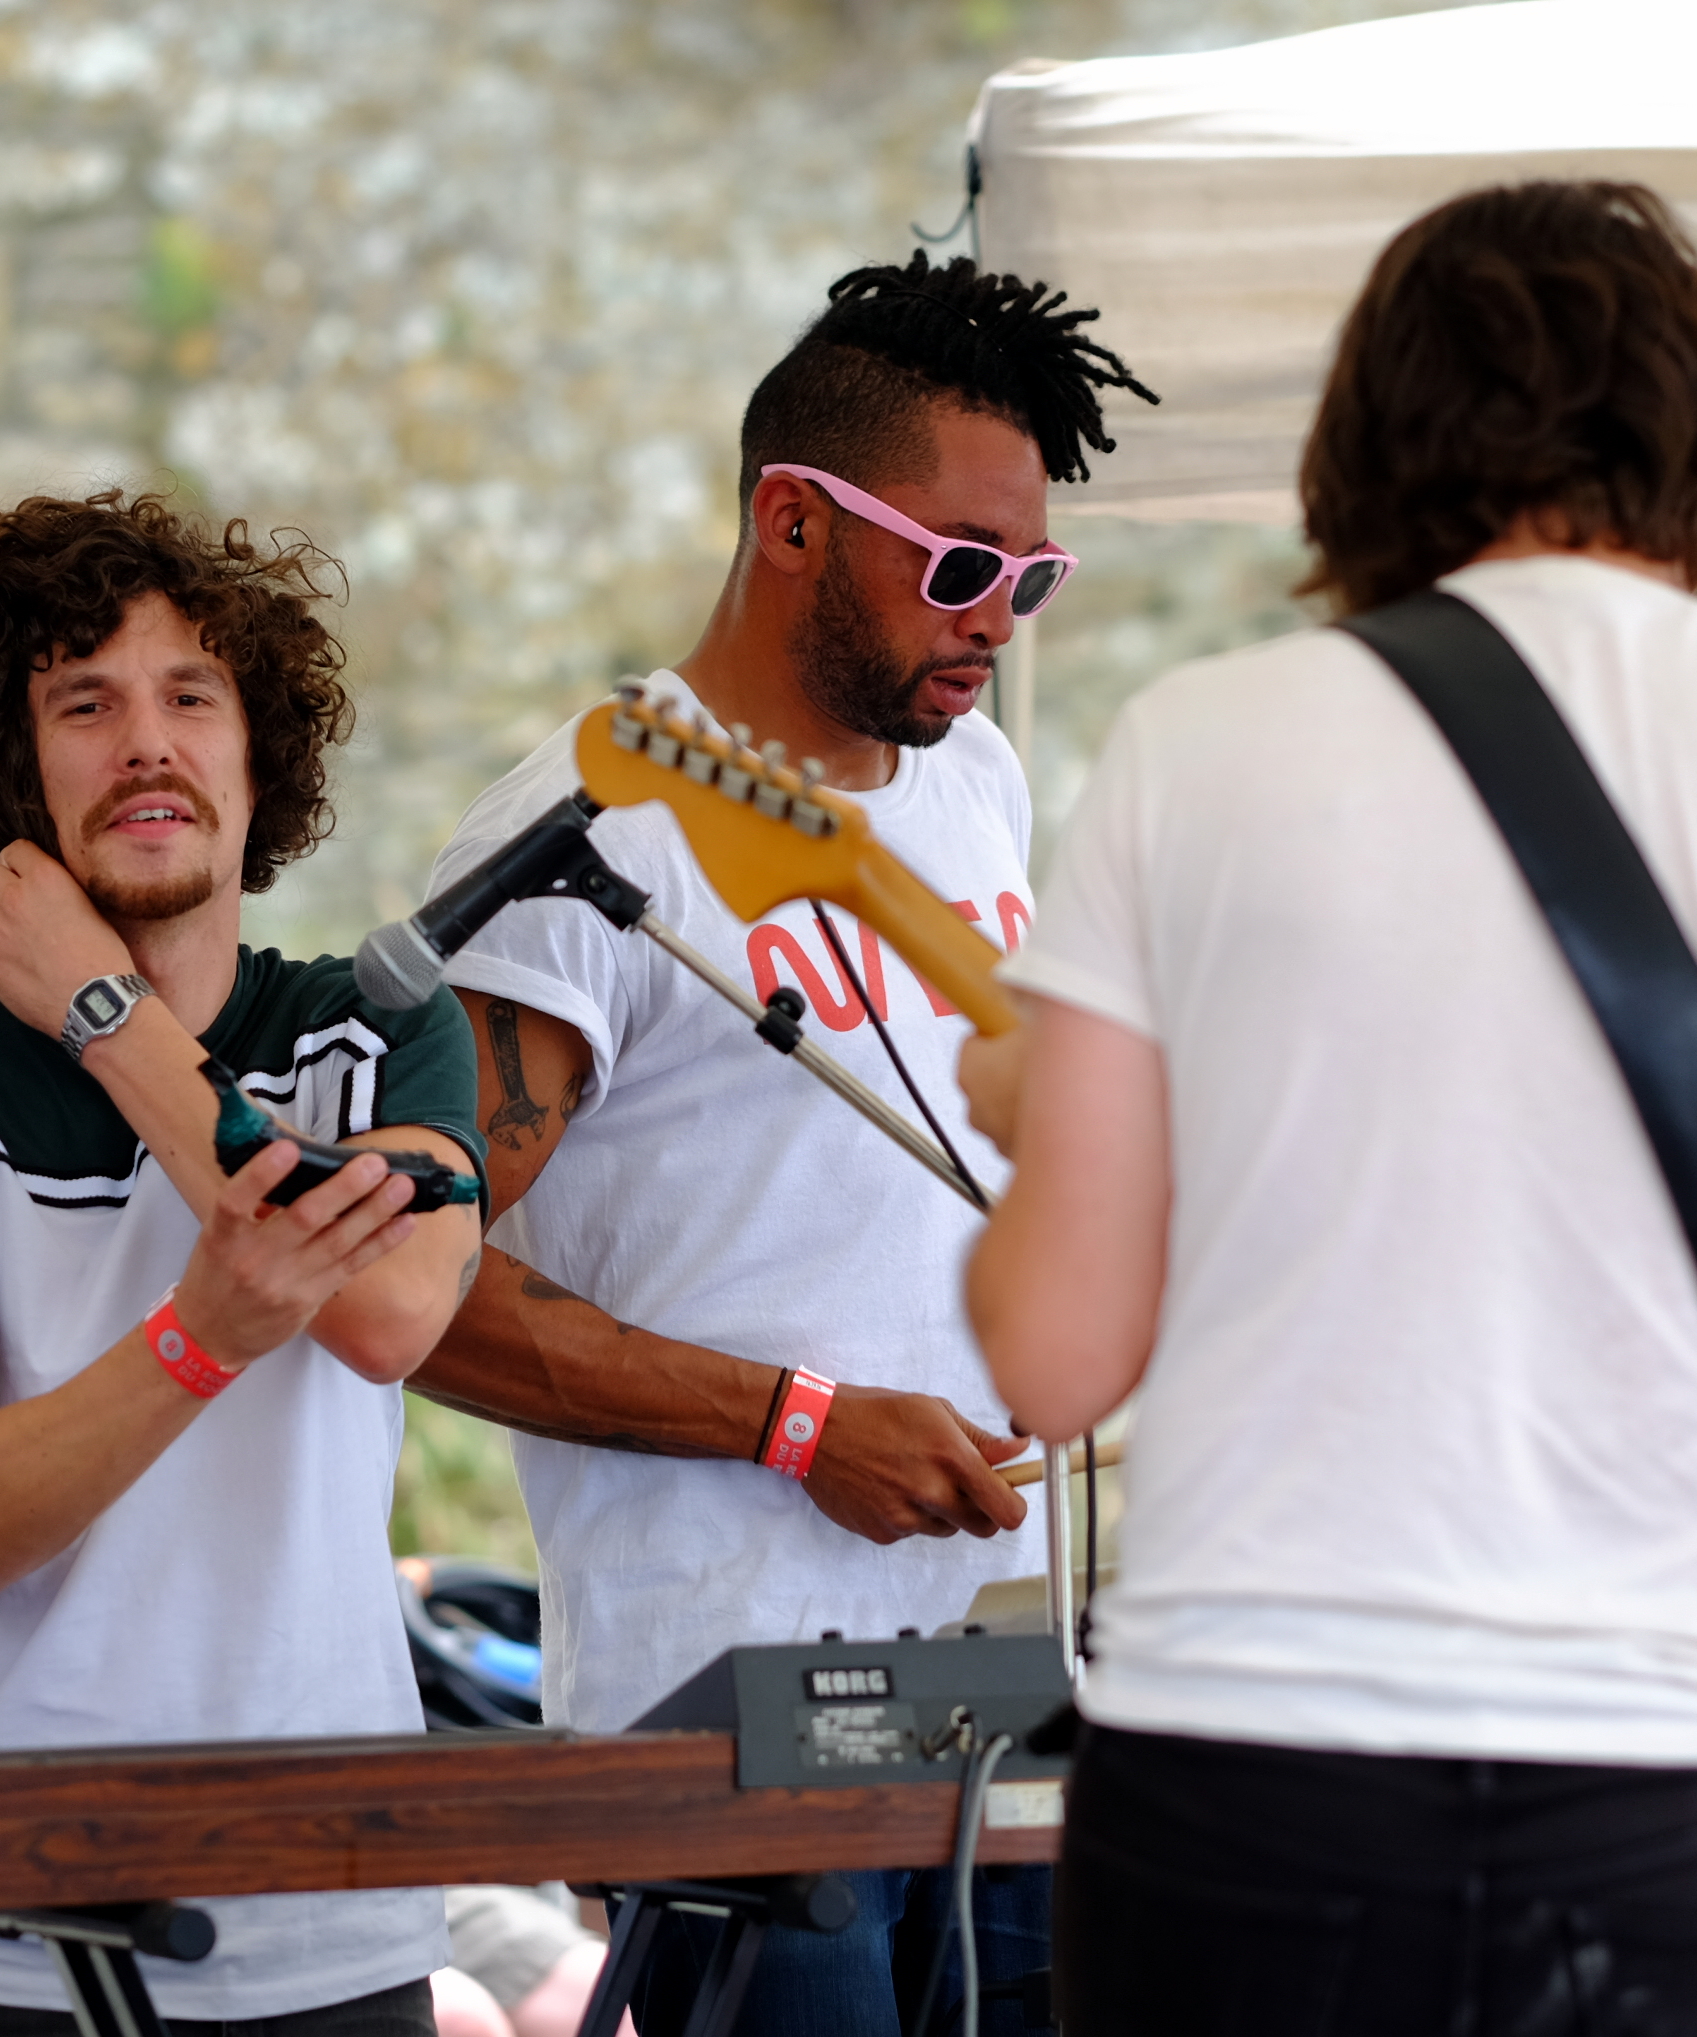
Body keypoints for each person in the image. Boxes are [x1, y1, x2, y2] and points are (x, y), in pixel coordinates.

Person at [957, 180, 1697, 2034]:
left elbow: (1056, 1354)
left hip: (1249, 1764)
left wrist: (1035, 1126)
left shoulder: (1204, 746)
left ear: (1361, 446)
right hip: (1684, 1777)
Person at [410, 252, 1152, 2037]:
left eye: (1030, 577)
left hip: (1005, 1682)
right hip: (730, 1726)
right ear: (791, 522)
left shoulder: (973, 778)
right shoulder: (590, 835)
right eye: (958, 566)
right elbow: (406, 1294)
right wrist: (795, 1422)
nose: (995, 619)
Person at [0, 491, 485, 2037]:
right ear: (19, 771)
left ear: (258, 758)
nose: (145, 742)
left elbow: (382, 1311)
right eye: (84, 704)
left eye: (190, 697)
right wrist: (198, 1336)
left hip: (329, 1933)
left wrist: (106, 1014)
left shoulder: (374, 1036)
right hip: (1, 1948)